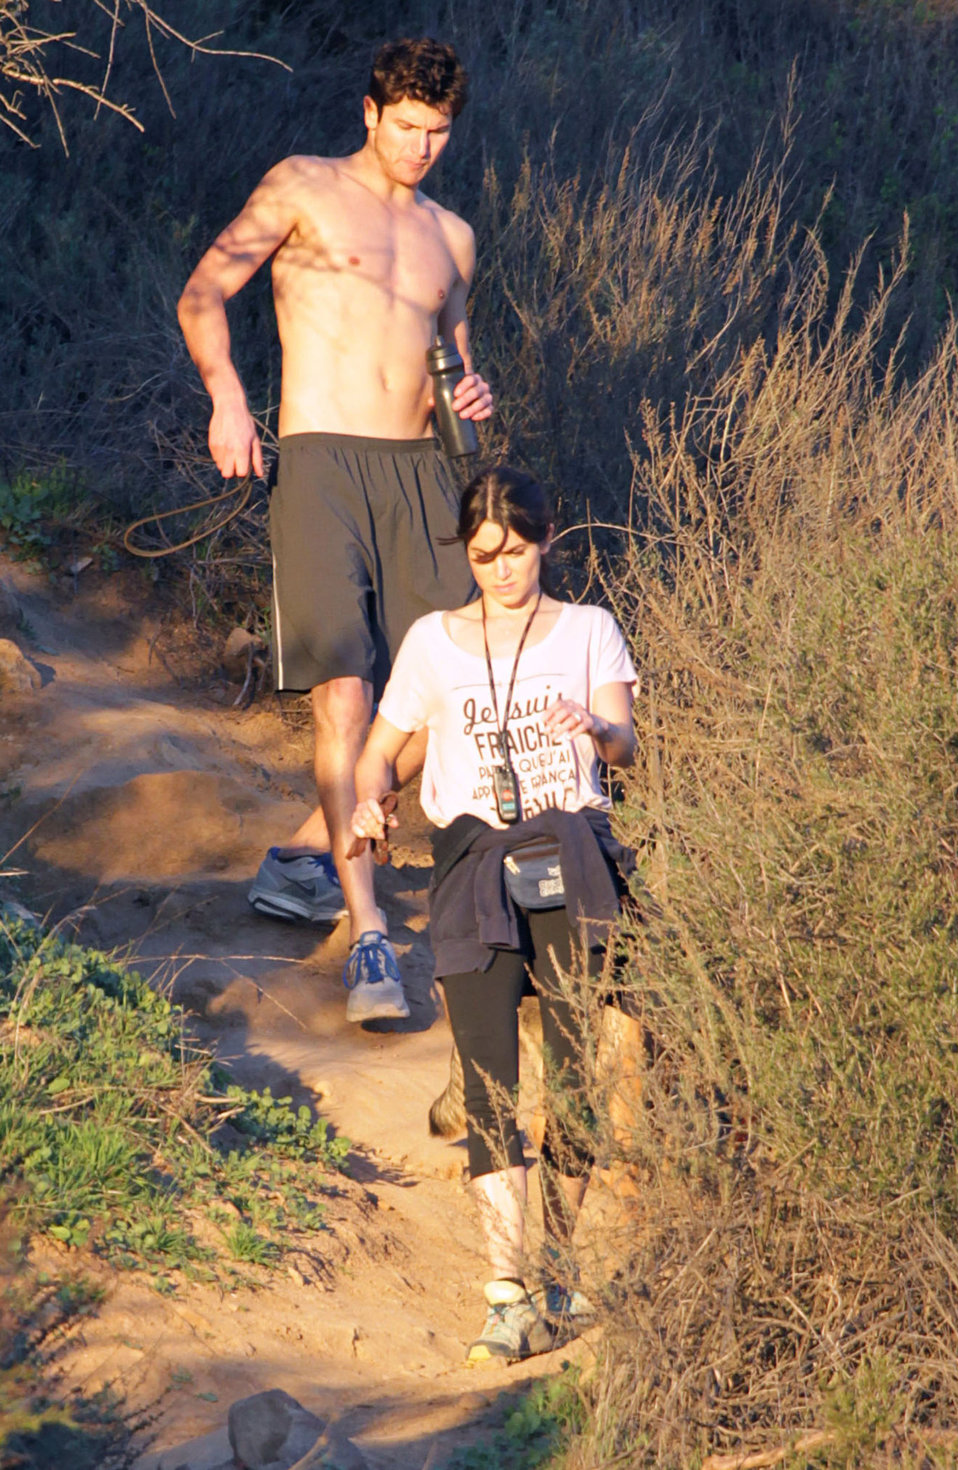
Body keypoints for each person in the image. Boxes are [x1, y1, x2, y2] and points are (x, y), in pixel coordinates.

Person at [176, 37, 493, 1022]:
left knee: (452, 692)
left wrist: (477, 402)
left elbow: (456, 377)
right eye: (406, 126)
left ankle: (313, 852)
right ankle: (368, 939)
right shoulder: (303, 186)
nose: (421, 146)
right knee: (346, 691)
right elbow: (203, 293)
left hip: (420, 472)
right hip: (321, 462)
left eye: (438, 131)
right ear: (369, 111)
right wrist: (228, 399)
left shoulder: (454, 236)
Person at [350, 465, 637, 1363]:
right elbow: (381, 751)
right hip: (471, 864)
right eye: (482, 555)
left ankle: (560, 1273)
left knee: (578, 1075)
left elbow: (627, 744)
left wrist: (594, 731)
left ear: (545, 541)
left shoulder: (590, 630)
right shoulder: (432, 641)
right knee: (486, 1081)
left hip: (573, 860)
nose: (500, 570)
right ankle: (506, 1294)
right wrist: (370, 803)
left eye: (514, 551)